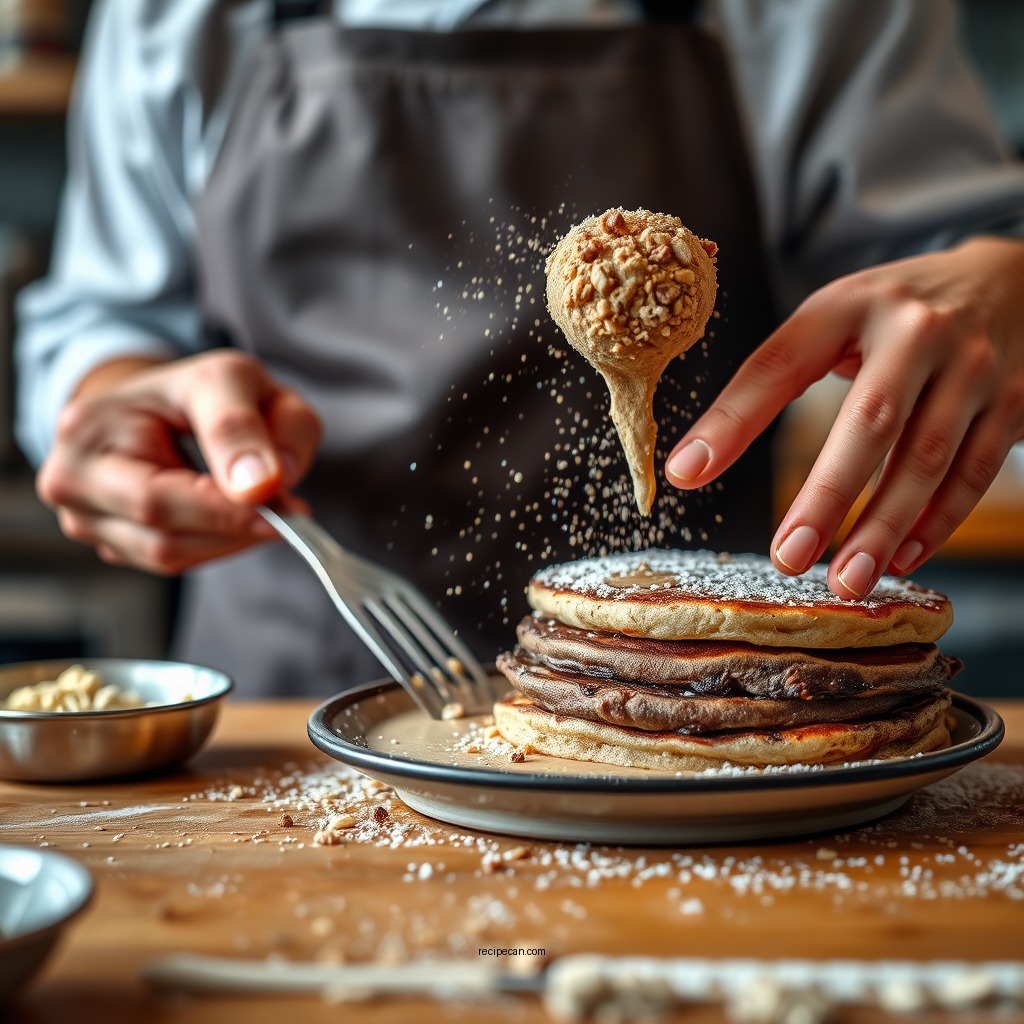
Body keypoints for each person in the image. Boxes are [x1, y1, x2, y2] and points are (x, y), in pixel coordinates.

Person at [15, 0, 1024, 697]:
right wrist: (115, 397)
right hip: (297, 705)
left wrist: (1000, 285)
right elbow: (107, 317)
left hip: (707, 705)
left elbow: (948, 267)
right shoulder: (182, 17)